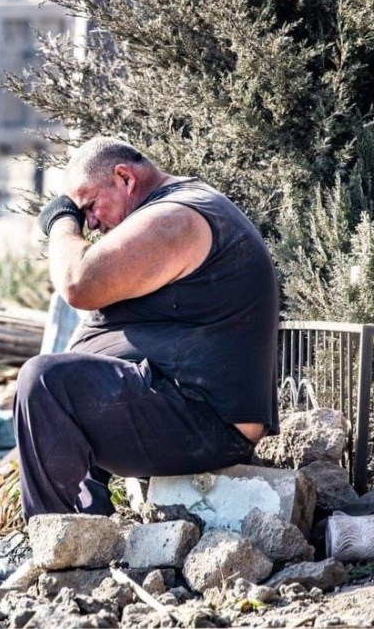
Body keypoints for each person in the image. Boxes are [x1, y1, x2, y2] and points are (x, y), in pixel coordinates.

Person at [17, 136, 279, 518]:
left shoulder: (175, 218)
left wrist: (60, 221)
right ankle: (86, 527)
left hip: (210, 425)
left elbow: (77, 283)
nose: (89, 223)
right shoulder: (171, 211)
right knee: (70, 377)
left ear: (125, 178)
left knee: (43, 380)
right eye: (81, 214)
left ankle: (50, 534)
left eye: (90, 206)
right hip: (186, 408)